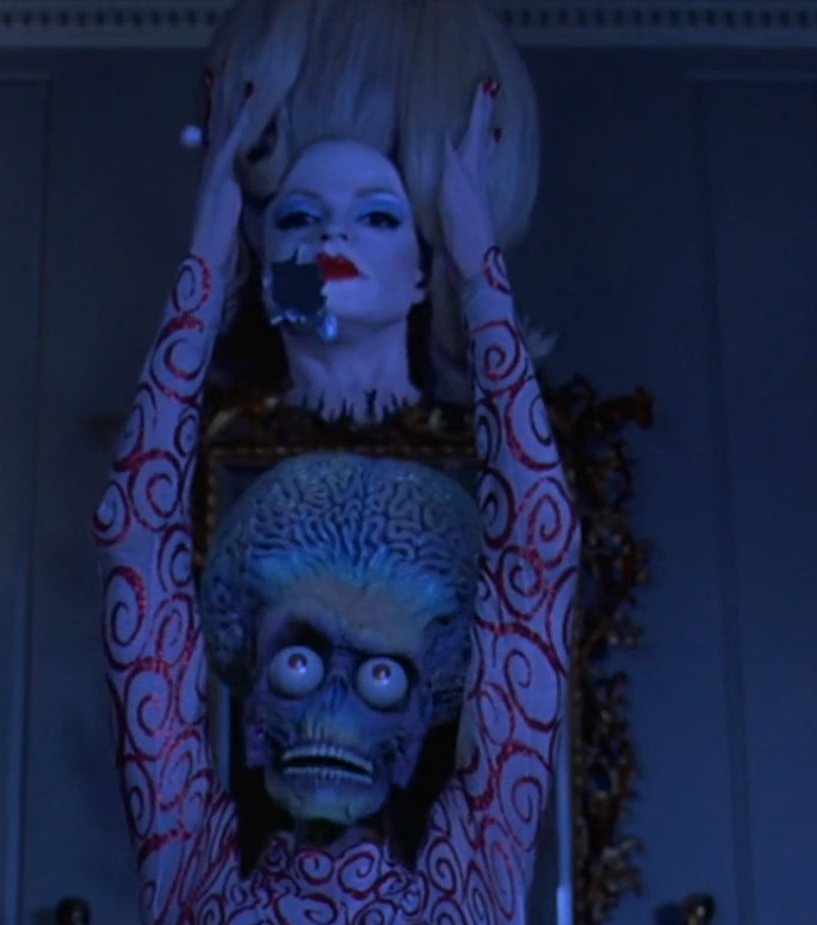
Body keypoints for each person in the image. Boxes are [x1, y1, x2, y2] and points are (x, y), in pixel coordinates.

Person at [93, 71, 577, 923]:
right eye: (299, 661)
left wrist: (478, 270)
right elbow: (132, 533)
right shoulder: (190, 869)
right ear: (251, 702)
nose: (332, 707)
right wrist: (206, 261)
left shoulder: (476, 875)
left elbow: (538, 562)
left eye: (382, 676)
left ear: (419, 718)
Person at [193, 0, 554, 415]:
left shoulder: (487, 442)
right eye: (298, 217)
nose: (332, 234)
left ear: (424, 269)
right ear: (261, 253)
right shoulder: (211, 440)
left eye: (378, 218)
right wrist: (204, 263)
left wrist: (479, 274)